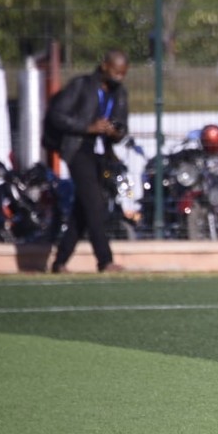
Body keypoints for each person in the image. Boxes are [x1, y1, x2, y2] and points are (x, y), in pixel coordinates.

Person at [45, 49, 130, 273]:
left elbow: (123, 126)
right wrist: (87, 127)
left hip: (102, 153)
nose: (119, 77)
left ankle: (60, 262)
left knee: (82, 210)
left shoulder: (119, 93)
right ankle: (105, 260)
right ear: (105, 66)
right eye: (116, 72)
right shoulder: (81, 85)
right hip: (78, 149)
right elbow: (56, 114)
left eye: (123, 73)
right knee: (95, 204)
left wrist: (115, 132)